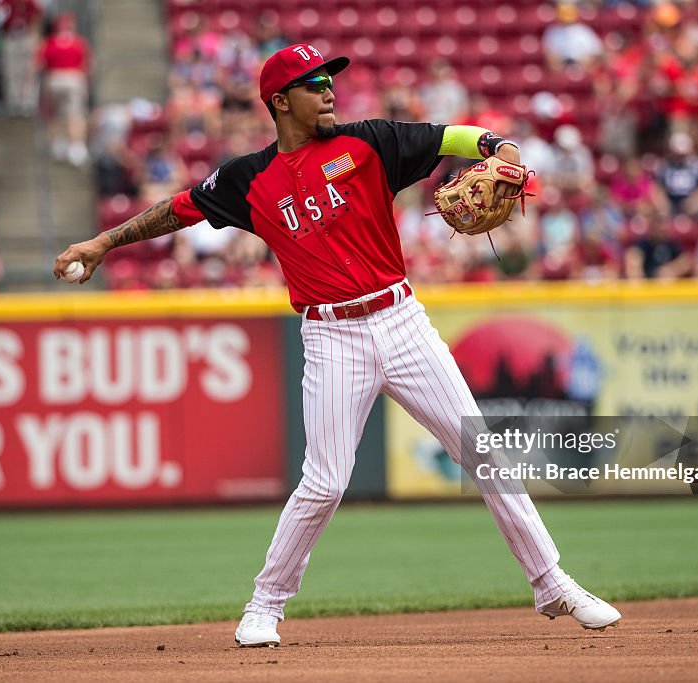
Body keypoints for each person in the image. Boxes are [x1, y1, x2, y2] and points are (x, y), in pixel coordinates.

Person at [54, 43, 621, 647]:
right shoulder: (249, 179)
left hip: (402, 322)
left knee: (482, 452)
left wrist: (500, 148)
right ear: (279, 101)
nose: (328, 90)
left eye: (330, 80)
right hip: (331, 336)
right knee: (324, 481)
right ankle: (263, 605)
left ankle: (553, 583)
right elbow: (178, 209)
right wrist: (102, 244)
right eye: (312, 82)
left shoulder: (370, 142)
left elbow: (457, 137)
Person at [39, 13, 92, 165]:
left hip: (54, 79)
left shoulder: (48, 43)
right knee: (75, 114)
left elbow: (40, 64)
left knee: (56, 113)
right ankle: (76, 146)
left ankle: (58, 143)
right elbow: (88, 64)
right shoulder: (79, 42)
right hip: (73, 78)